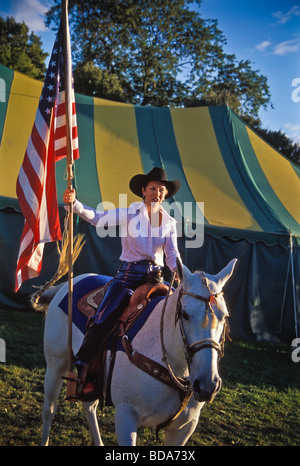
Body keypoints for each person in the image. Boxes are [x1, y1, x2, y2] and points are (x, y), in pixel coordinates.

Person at [63, 167, 181, 395]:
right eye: (153, 188)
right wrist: (75, 203)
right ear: (144, 191)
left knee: (178, 312)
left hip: (155, 277)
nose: (157, 193)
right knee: (104, 316)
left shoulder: (169, 223)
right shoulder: (129, 213)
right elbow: (98, 219)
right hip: (127, 277)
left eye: (161, 190)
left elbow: (172, 255)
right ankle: (83, 362)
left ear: (165, 195)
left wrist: (181, 272)